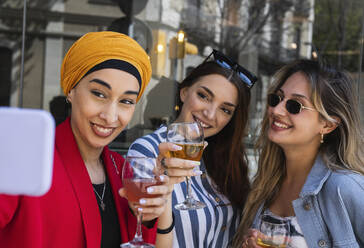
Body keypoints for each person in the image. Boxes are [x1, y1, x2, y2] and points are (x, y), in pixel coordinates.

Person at [0, 31, 170, 248]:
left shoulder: (123, 170)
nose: (110, 116)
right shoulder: (27, 158)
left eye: (126, 101)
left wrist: (150, 214)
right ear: (71, 90)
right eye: (99, 94)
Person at [128, 49, 258, 247]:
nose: (210, 113)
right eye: (204, 96)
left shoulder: (225, 159)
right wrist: (162, 184)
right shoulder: (147, 150)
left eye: (225, 109)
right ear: (184, 92)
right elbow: (143, 225)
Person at [231, 59, 364, 248]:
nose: (276, 110)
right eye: (276, 98)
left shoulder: (344, 188)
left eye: (295, 105)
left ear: (327, 125)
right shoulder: (265, 184)